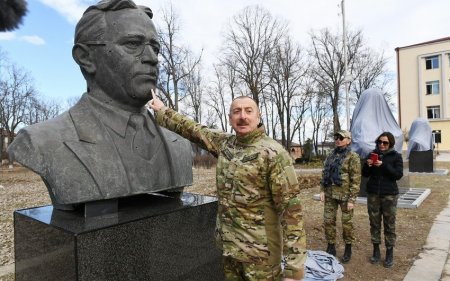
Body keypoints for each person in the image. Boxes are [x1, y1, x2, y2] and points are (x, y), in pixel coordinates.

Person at [7, 0, 192, 210]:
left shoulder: (180, 143)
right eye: (132, 44)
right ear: (85, 57)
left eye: (155, 48)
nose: (152, 59)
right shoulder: (41, 140)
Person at [149, 92, 306, 281]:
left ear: (258, 116)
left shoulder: (274, 153)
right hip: (229, 250)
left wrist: (294, 270)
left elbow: (292, 212)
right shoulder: (225, 144)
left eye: (249, 111)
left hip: (260, 258)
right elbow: (193, 129)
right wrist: (162, 110)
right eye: (237, 111)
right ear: (230, 118)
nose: (243, 116)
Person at [362, 132, 403, 268]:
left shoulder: (396, 156)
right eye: (379, 142)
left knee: (389, 225)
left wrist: (383, 165)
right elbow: (365, 174)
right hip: (373, 194)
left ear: (390, 143)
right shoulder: (372, 154)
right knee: (374, 223)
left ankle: (389, 253)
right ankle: (376, 250)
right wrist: (368, 165)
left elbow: (398, 175)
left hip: (389, 195)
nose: (381, 145)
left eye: (385, 142)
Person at [320, 130, 361, 263]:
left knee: (346, 224)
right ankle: (331, 246)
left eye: (341, 137)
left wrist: (352, 199)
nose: (338, 140)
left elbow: (356, 179)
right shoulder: (330, 155)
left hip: (345, 196)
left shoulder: (353, 156)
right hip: (330, 194)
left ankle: (348, 247)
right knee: (328, 221)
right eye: (336, 137)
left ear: (348, 140)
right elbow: (325, 173)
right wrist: (322, 190)